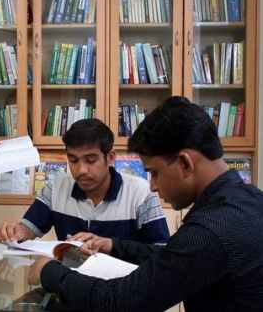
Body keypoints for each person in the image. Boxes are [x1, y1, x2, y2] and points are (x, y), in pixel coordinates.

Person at [28, 96, 263, 311]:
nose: (152, 185)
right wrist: (113, 245)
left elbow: (120, 302)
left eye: (155, 173)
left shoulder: (209, 230)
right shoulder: (250, 199)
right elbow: (172, 257)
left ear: (185, 163)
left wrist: (48, 270)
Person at [0, 118, 169, 245]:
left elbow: (160, 251)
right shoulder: (56, 187)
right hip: (72, 286)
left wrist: (112, 246)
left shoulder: (140, 193)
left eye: (91, 160)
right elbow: (29, 229)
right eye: (74, 160)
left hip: (123, 289)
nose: (81, 170)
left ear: (110, 158)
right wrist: (17, 231)